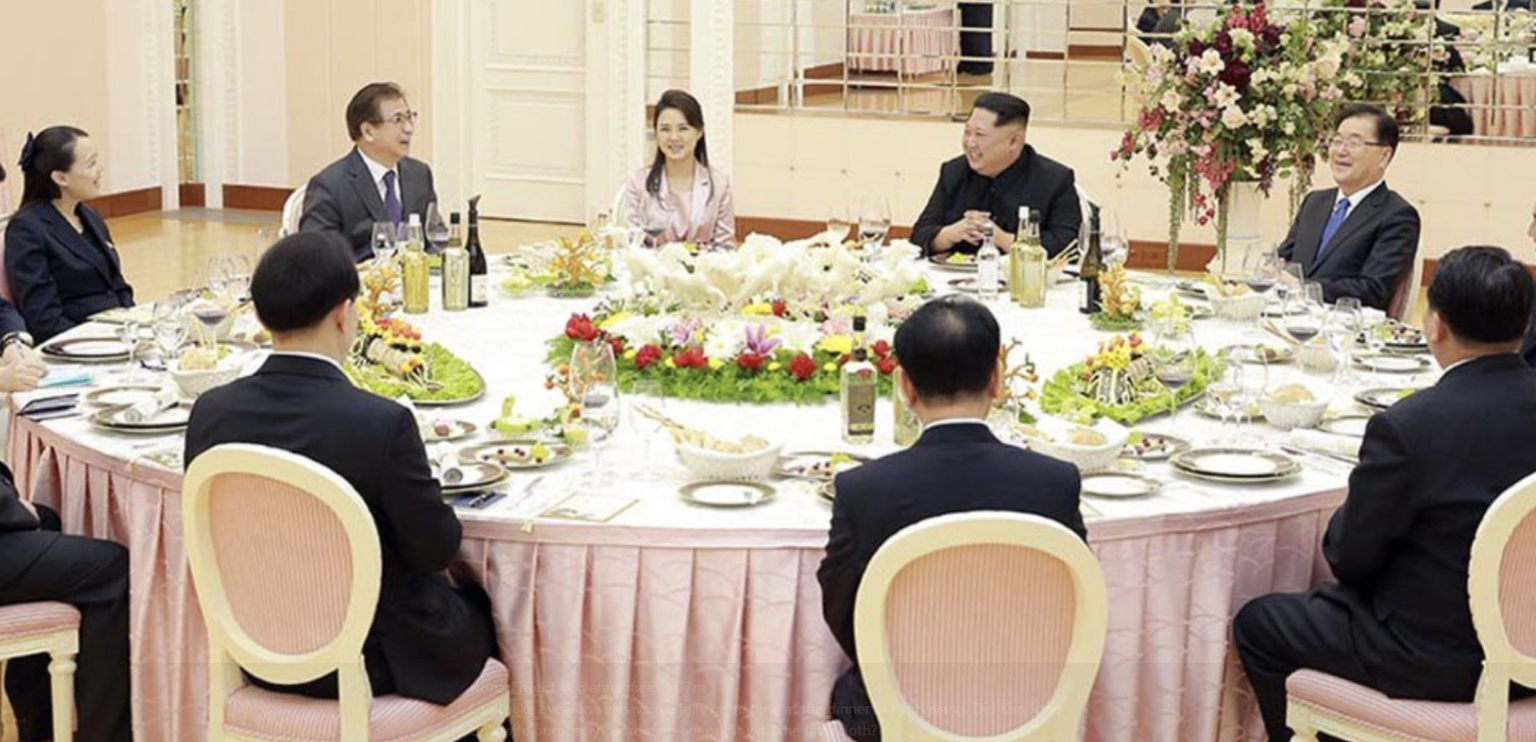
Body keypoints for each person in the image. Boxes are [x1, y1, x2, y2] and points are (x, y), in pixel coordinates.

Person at [1234, 245, 1536, 742]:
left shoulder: (1411, 428)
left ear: (1434, 324)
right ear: (1524, 325)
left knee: (1260, 623)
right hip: (1528, 654)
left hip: (1435, 660)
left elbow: (1349, 558)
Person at [184, 231, 494, 705]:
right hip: (371, 663)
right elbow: (436, 550)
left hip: (256, 651)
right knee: (486, 613)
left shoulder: (210, 412)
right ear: (344, 314)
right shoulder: (381, 423)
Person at [818, 296, 1086, 742]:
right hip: (1029, 710)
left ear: (905, 388)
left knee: (853, 690)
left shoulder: (864, 490)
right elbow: (1072, 606)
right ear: (998, 379)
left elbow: (847, 616)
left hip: (897, 716)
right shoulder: (1054, 482)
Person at [1277, 104, 1421, 311]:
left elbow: (1373, 290)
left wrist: (1304, 288)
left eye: (1354, 143)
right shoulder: (1314, 202)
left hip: (1345, 331)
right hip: (1292, 320)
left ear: (1384, 156)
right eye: (1336, 140)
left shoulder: (1397, 215)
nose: (1340, 151)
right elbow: (1284, 260)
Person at [910, 93, 1082, 258]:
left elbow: (1068, 247)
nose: (970, 143)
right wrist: (950, 234)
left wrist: (1002, 239)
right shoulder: (953, 172)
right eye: (967, 132)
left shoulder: (1054, 179)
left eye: (979, 135)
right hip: (955, 282)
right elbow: (918, 236)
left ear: (1014, 141)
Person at [4, 127, 136, 342]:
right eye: (91, 164)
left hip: (116, 335)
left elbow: (119, 286)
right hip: (75, 344)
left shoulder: (89, 215)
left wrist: (134, 325)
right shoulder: (26, 229)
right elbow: (44, 319)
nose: (100, 170)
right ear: (60, 177)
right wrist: (98, 341)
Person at [300, 82, 439, 262]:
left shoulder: (419, 174)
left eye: (409, 117)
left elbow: (433, 240)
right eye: (398, 120)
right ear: (368, 132)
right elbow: (317, 257)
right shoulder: (330, 186)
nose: (409, 128)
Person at [619, 89, 736, 250]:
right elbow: (632, 244)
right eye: (665, 129)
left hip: (701, 273)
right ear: (657, 133)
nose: (674, 137)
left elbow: (725, 247)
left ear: (699, 132)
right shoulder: (638, 182)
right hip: (653, 272)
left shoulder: (719, 184)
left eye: (683, 128)